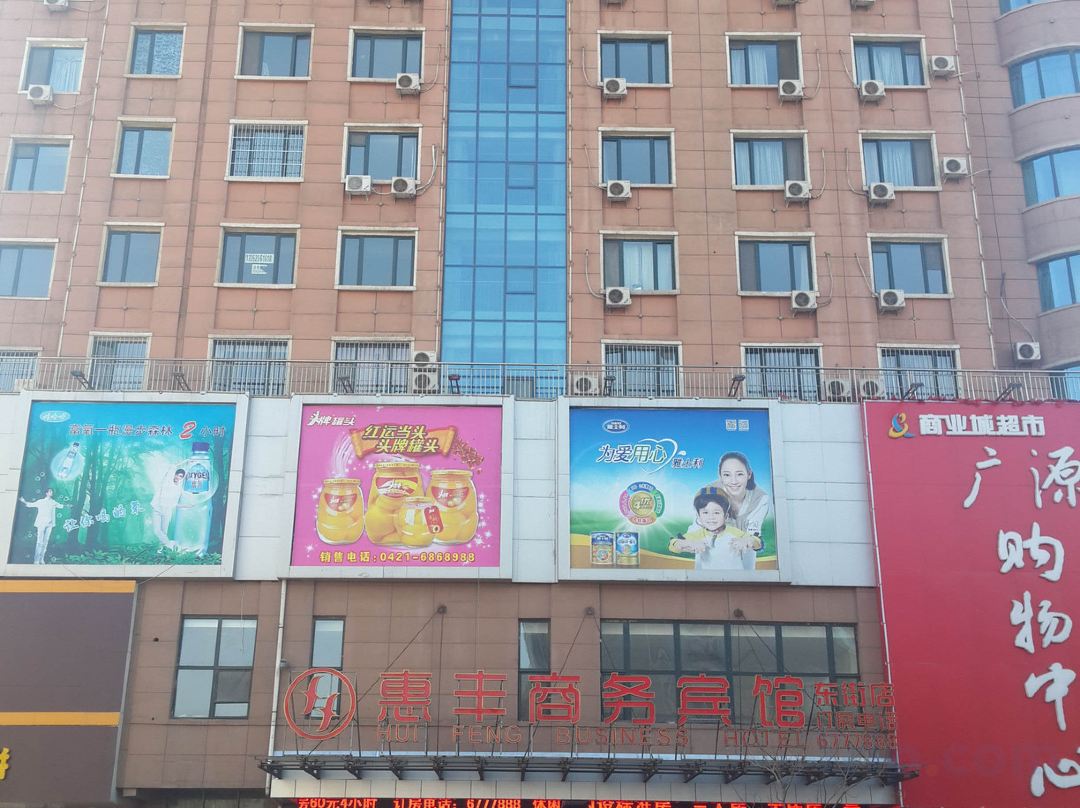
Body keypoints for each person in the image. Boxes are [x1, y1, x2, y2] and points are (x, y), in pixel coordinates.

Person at [668, 487, 761, 571]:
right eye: (705, 513)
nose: (711, 517)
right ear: (698, 516)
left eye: (716, 513)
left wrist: (748, 540)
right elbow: (673, 545)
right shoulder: (698, 535)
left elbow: (758, 543)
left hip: (735, 580)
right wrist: (686, 543)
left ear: (726, 516)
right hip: (709, 580)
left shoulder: (734, 532)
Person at [19, 488, 65, 565]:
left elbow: (61, 506)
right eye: (50, 491)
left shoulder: (53, 502)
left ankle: (41, 559)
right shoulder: (41, 501)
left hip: (49, 524)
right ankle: (36, 560)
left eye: (52, 491)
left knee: (45, 542)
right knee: (39, 542)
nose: (51, 492)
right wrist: (24, 501)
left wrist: (69, 505)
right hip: (41, 523)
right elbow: (30, 504)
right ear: (46, 493)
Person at [151, 468, 186, 550]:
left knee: (164, 532)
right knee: (157, 531)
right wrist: (174, 467)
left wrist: (187, 506)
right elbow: (169, 472)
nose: (178, 477)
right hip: (157, 509)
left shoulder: (178, 489)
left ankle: (161, 550)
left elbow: (174, 503)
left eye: (180, 476)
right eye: (177, 475)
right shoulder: (166, 482)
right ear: (174, 474)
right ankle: (170, 544)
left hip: (167, 511)